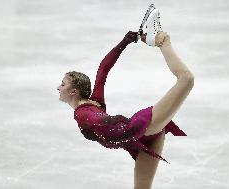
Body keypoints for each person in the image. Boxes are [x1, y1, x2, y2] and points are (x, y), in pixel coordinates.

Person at [57, 5, 194, 189]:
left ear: (74, 91)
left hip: (141, 127)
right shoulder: (95, 102)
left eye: (63, 84)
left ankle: (162, 41)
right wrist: (124, 42)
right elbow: (103, 68)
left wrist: (114, 121)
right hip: (139, 139)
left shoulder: (82, 114)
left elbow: (99, 119)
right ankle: (156, 39)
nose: (59, 87)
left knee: (186, 79)